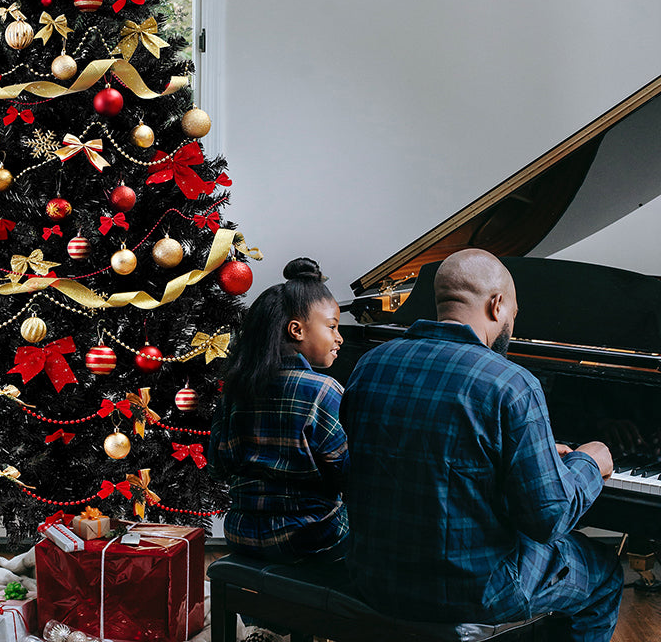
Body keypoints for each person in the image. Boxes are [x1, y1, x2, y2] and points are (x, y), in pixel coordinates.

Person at [340, 248, 622, 642]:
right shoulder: (511, 383)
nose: (511, 326)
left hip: (373, 576)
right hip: (475, 592)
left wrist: (530, 456)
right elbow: (549, 520)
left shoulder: (370, 365)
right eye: (513, 316)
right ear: (497, 304)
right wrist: (587, 461)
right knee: (605, 572)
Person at [208, 257, 348, 563]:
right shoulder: (322, 391)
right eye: (332, 326)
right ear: (296, 330)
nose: (340, 337)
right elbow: (349, 472)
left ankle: (263, 608)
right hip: (310, 538)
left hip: (240, 534)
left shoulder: (236, 389)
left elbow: (218, 463)